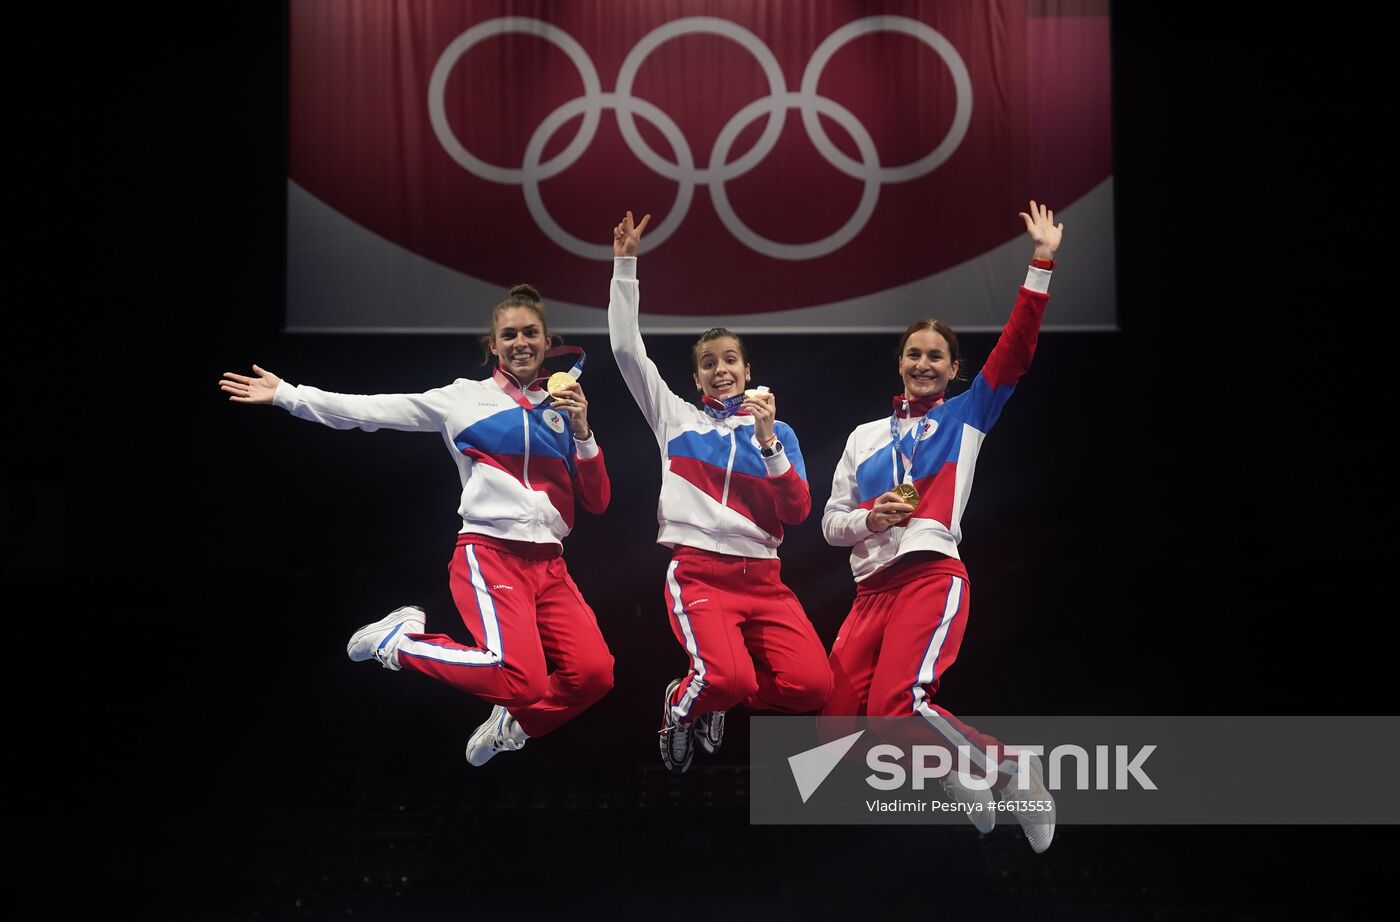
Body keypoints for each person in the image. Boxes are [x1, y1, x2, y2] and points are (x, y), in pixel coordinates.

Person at [218, 284, 614, 766]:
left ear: (549, 342)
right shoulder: (461, 400)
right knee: (521, 680)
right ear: (493, 345)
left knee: (594, 675)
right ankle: (399, 643)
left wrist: (584, 432)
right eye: (508, 334)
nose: (520, 342)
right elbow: (369, 411)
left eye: (531, 332)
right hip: (490, 556)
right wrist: (288, 395)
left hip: (549, 565)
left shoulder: (564, 408)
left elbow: (597, 501)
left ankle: (517, 723)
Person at [821, 201, 1063, 852]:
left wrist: (1040, 261)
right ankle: (956, 766)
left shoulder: (967, 417)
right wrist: (871, 517)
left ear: (954, 369)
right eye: (914, 354)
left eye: (937, 357)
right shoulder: (864, 438)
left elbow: (1014, 352)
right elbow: (830, 526)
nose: (924, 364)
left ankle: (1008, 765)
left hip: (929, 575)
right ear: (899, 362)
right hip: (870, 592)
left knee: (900, 709)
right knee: (837, 733)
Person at [608, 211, 832, 774]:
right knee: (726, 675)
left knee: (811, 688)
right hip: (700, 573)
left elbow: (799, 512)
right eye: (708, 364)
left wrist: (767, 444)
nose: (721, 370)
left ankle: (715, 697)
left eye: (730, 360)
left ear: (748, 368)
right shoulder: (674, 418)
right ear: (696, 379)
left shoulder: (778, 432)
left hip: (765, 581)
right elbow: (626, 351)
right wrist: (625, 266)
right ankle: (686, 706)